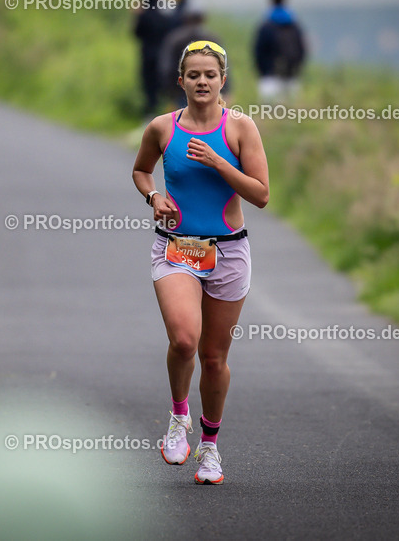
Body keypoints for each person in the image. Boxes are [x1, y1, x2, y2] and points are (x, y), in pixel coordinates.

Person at [132, 40, 269, 484]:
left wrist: (217, 161)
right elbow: (141, 170)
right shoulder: (162, 128)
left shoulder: (240, 129)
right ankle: (178, 416)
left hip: (229, 249)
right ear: (181, 81)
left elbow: (261, 195)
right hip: (177, 246)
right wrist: (154, 197)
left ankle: (210, 449)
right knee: (184, 341)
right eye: (194, 75)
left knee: (213, 358)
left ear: (222, 80)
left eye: (210, 74)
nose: (202, 81)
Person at [158, 8, 229, 107]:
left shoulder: (175, 38)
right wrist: (227, 89)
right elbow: (224, 66)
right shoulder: (212, 39)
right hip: (208, 90)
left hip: (181, 89)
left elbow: (166, 67)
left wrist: (168, 89)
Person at [252, 0, 306, 101]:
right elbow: (302, 48)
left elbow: (258, 50)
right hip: (291, 74)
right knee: (291, 112)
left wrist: (262, 70)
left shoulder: (266, 25)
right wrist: (297, 68)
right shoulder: (294, 24)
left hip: (269, 75)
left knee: (270, 113)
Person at [134, 0, 179, 117]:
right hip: (162, 55)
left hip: (148, 54)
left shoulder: (144, 15)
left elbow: (137, 33)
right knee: (163, 84)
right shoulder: (164, 15)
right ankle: (167, 111)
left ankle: (151, 111)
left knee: (149, 84)